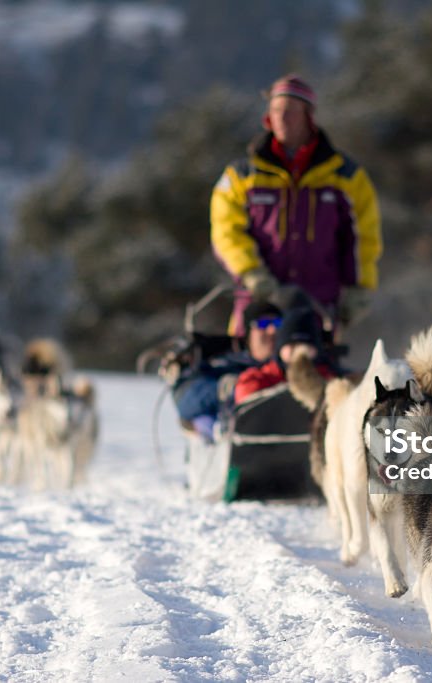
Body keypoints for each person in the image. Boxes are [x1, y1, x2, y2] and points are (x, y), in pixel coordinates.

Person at [211, 74, 383, 337]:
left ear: (309, 116)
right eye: (276, 109)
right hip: (260, 305)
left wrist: (360, 288)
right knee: (251, 376)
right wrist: (251, 272)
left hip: (318, 307)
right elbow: (225, 231)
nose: (282, 117)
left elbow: (363, 235)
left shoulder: (346, 176)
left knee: (315, 376)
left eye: (290, 111)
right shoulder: (241, 175)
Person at [172, 301, 283, 441]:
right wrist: (223, 388)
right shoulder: (224, 362)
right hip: (238, 442)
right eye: (263, 323)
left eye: (278, 323)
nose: (272, 330)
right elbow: (185, 401)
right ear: (249, 331)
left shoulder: (291, 365)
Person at [234, 307, 336, 405]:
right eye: (292, 346)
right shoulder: (256, 380)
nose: (298, 352)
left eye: (305, 347)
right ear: (280, 349)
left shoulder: (330, 379)